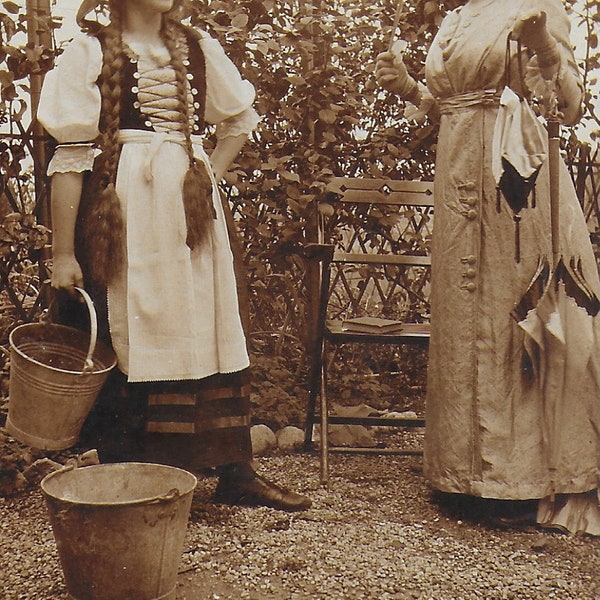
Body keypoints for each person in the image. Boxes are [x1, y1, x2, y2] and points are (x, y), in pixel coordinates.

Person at [37, 0, 311, 512]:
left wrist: (206, 179)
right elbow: (70, 159)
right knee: (136, 327)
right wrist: (63, 252)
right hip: (124, 213)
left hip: (189, 215)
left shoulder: (198, 48)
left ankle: (235, 470)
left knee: (207, 326)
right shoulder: (90, 51)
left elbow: (238, 121)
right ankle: (137, 476)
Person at [376, 0, 600, 534]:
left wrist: (545, 44)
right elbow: (452, 107)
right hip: (457, 188)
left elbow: (567, 107)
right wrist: (409, 87)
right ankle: (463, 476)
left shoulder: (538, 7)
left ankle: (521, 481)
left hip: (515, 188)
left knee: (512, 317)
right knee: (463, 325)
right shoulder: (457, 19)